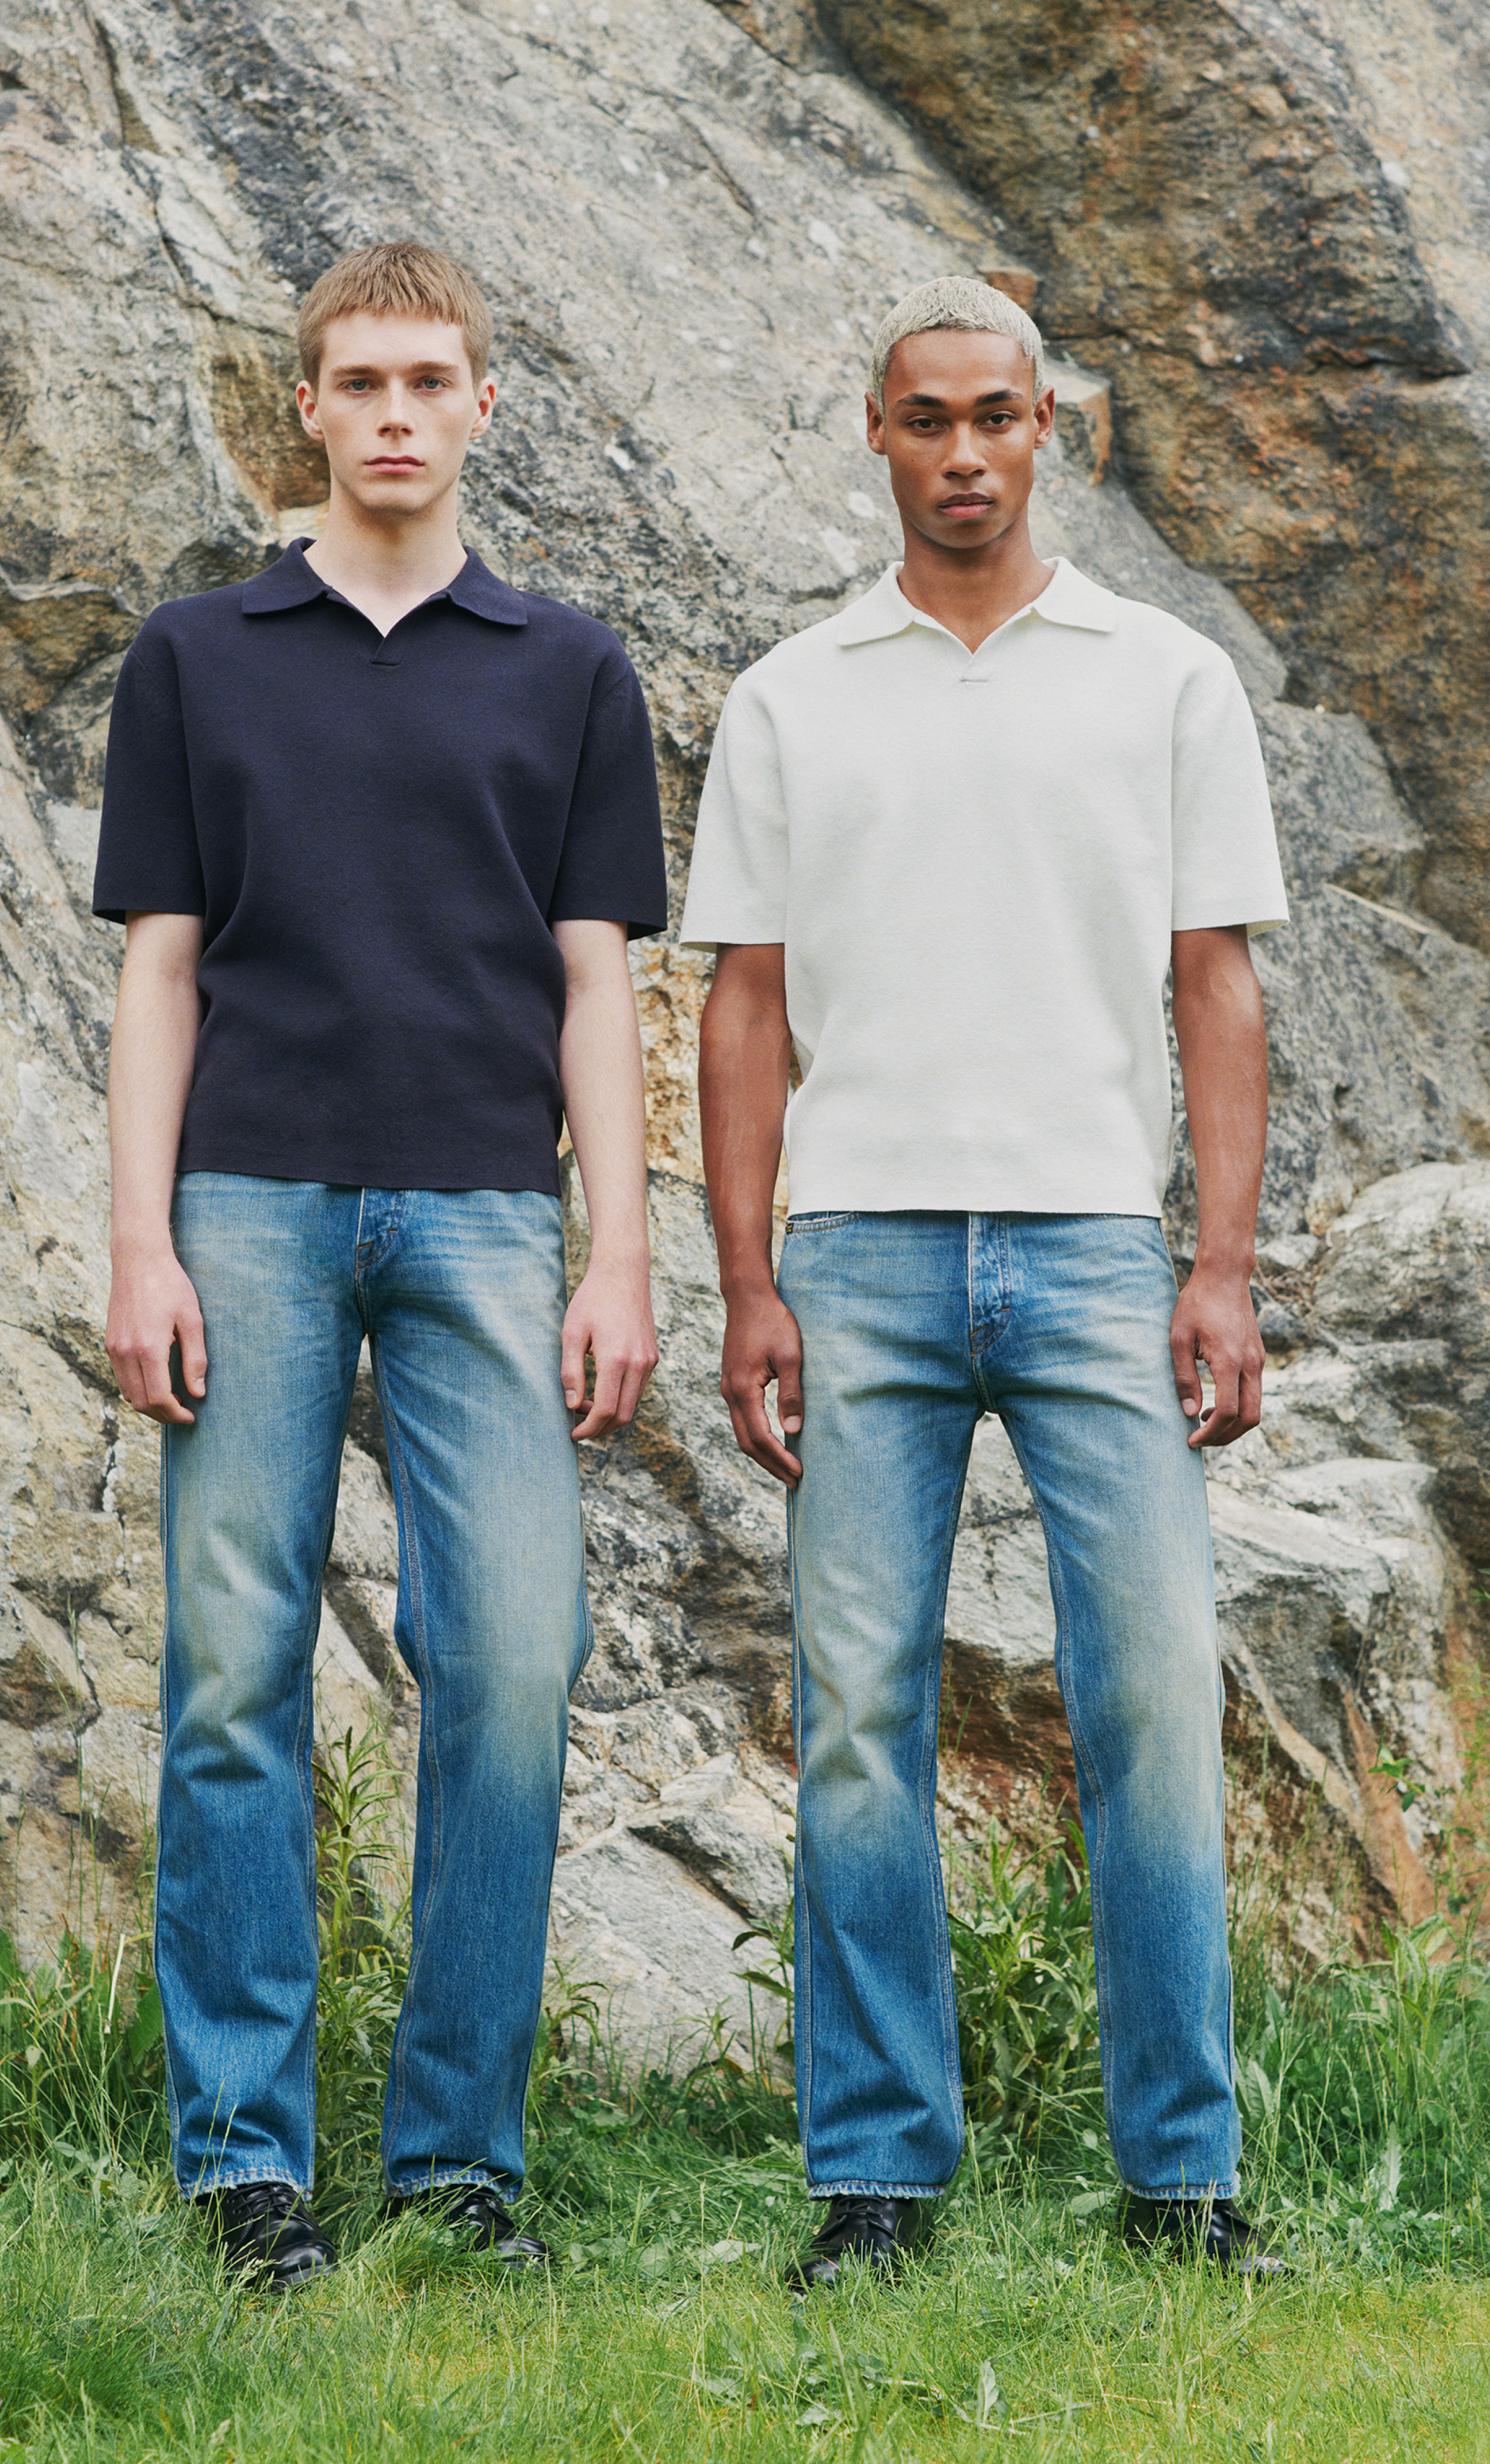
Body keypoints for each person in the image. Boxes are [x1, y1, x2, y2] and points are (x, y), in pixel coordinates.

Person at [684, 275, 1289, 2288]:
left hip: (1097, 1248)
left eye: (996, 418)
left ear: (1053, 433)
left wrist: (1218, 1263)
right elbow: (741, 1005)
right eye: (924, 419)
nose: (961, 453)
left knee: (1147, 1708)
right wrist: (746, 1283)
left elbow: (1217, 983)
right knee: (857, 1718)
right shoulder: (791, 693)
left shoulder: (1164, 678)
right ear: (876, 433)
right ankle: (874, 2178)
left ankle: (1182, 2182)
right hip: (854, 1255)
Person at [96, 241, 666, 2290]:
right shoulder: (195, 655)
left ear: (484, 405)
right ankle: (249, 2165)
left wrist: (622, 1243)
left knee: (507, 1665)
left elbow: (595, 984)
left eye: (432, 378)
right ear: (309, 409)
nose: (398, 410)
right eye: (361, 380)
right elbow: (162, 970)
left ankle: (454, 2166)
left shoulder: (569, 666)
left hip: (489, 1212)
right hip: (244, 1202)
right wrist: (137, 1236)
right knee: (232, 1675)